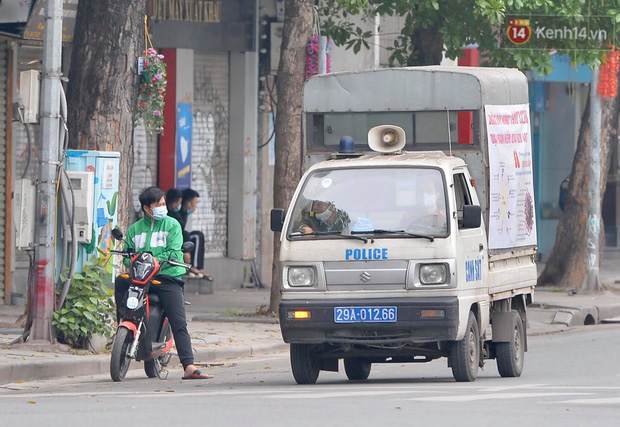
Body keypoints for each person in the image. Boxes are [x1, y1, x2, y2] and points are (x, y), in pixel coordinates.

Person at [114, 186, 210, 380]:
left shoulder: (172, 225)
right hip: (141, 278)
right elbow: (127, 255)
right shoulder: (134, 230)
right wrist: (132, 259)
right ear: (147, 208)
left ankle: (188, 365)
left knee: (178, 320)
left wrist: (150, 259)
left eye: (164, 204)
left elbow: (174, 252)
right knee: (120, 281)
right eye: (159, 205)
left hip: (166, 277)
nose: (163, 208)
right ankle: (121, 326)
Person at [168, 188, 212, 280]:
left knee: (197, 235)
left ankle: (197, 267)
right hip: (177, 240)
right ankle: (193, 267)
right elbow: (178, 233)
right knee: (195, 236)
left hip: (182, 238)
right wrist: (185, 251)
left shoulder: (184, 213)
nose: (195, 206)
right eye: (195, 203)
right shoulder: (175, 214)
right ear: (188, 203)